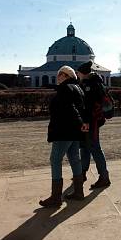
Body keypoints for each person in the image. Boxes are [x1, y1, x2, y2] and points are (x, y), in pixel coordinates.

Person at [39, 66, 89, 208]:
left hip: (64, 130)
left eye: (60, 74)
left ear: (66, 75)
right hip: (74, 130)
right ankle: (79, 192)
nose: (57, 76)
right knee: (74, 158)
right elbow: (80, 108)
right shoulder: (77, 88)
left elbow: (69, 109)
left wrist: (76, 121)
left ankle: (56, 198)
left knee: (55, 159)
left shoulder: (65, 89)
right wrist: (80, 123)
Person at [76, 60, 111, 189]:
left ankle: (104, 177)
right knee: (85, 148)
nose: (77, 75)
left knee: (94, 148)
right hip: (92, 121)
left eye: (78, 73)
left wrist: (85, 122)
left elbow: (87, 107)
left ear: (83, 73)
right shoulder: (96, 82)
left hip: (91, 122)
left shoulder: (89, 85)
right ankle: (82, 173)